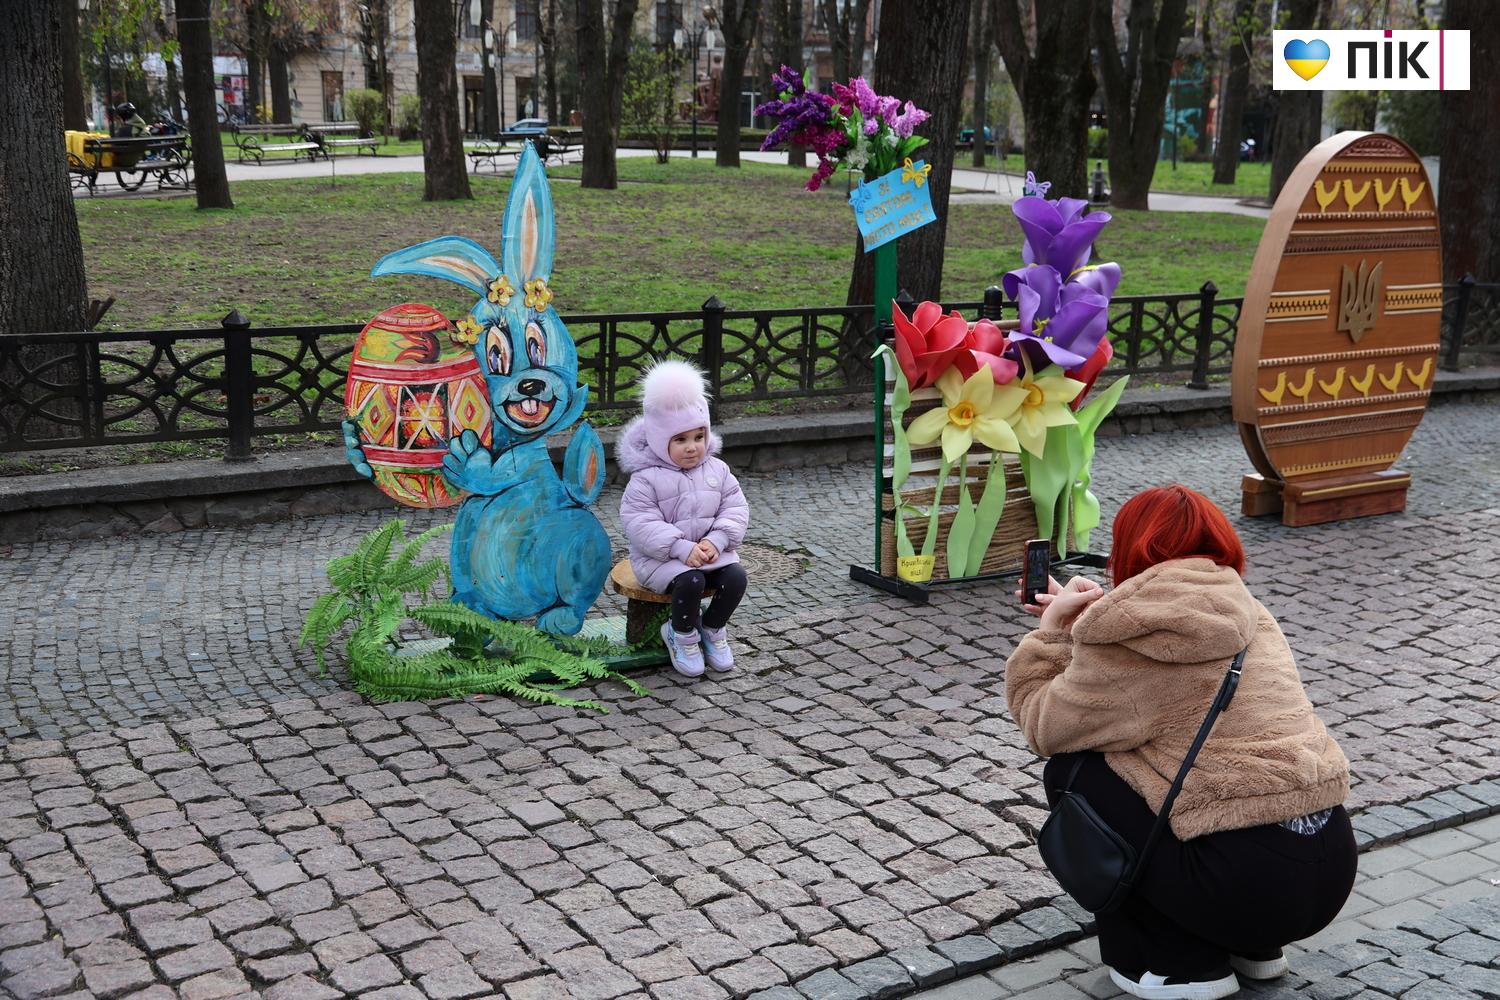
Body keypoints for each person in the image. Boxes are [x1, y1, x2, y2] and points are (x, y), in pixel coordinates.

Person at [1006, 485, 1356, 1000]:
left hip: (1242, 885)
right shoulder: (1246, 607)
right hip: (1327, 866)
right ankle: (1254, 949)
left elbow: (1043, 725)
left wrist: (1054, 634)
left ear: (1127, 551)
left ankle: (1179, 964)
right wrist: (1091, 633)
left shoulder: (1133, 637)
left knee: (1073, 770)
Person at [618, 360, 749, 678]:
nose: (692, 448)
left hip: (709, 553)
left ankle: (713, 628)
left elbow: (735, 507)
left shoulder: (717, 469)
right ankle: (682, 634)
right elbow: (639, 522)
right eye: (680, 440)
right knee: (691, 581)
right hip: (661, 559)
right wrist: (679, 548)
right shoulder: (646, 478)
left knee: (735, 578)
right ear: (660, 440)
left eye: (698, 437)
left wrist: (716, 540)